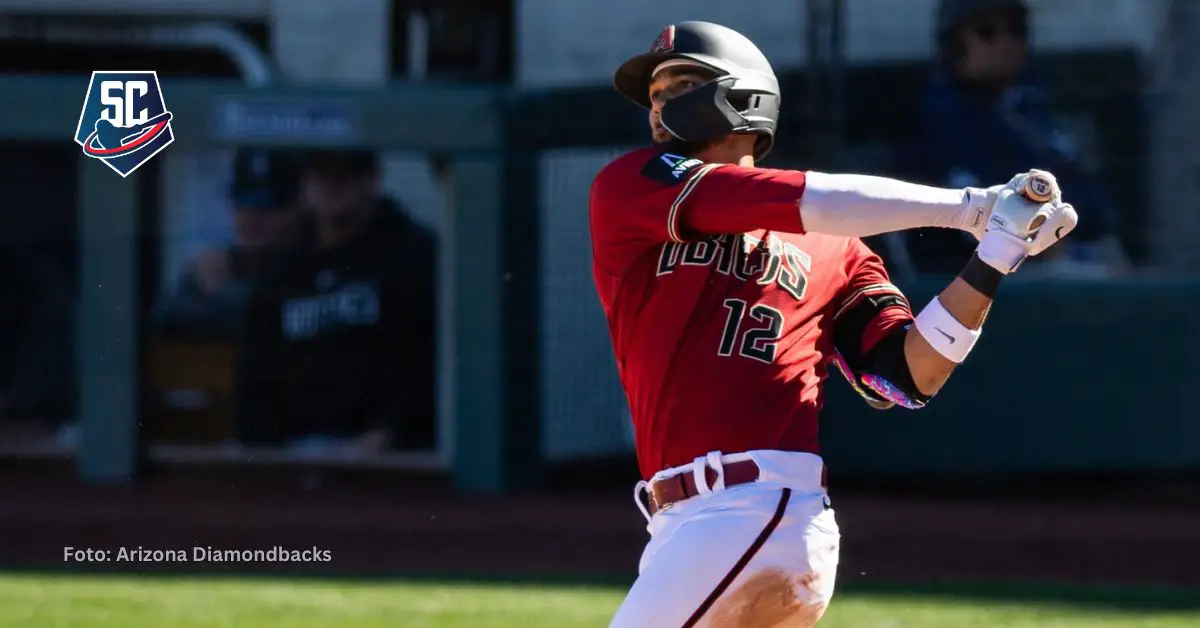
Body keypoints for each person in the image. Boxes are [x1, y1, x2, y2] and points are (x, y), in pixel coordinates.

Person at [590, 21, 1078, 627]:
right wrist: (974, 209)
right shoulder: (633, 186)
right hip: (687, 524)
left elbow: (906, 374)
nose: (660, 103)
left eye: (682, 82)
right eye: (655, 93)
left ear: (742, 98)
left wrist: (995, 253)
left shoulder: (840, 246)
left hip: (751, 508)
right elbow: (809, 202)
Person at [235, 149, 437, 456]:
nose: (330, 186)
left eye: (344, 174)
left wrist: (391, 431)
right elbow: (257, 370)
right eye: (319, 175)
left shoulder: (411, 255)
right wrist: (265, 446)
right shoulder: (285, 268)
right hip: (294, 451)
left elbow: (423, 362)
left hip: (386, 452)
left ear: (371, 179)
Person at [904, 0, 1117, 274]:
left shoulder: (1030, 108)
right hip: (979, 277)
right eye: (987, 32)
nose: (1006, 43)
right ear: (955, 43)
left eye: (1017, 30)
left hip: (1063, 262)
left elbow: (1096, 209)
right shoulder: (939, 121)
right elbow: (978, 221)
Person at [155, 148, 306, 339]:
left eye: (266, 204)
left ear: (299, 206)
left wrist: (221, 295)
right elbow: (165, 320)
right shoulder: (218, 266)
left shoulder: (315, 262)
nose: (251, 217)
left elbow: (277, 323)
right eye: (243, 202)